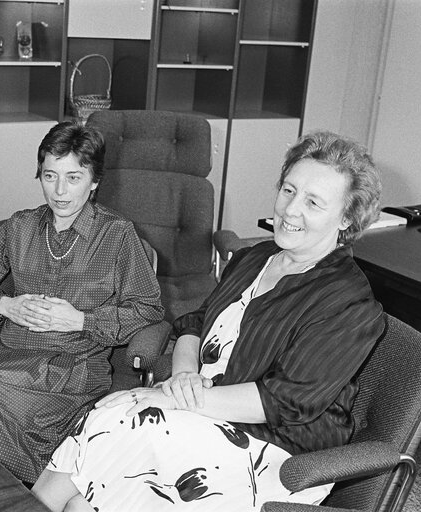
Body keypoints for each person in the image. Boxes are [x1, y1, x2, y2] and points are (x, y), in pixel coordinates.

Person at [32, 131, 386, 511]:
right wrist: (183, 377)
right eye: (288, 190)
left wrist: (175, 399)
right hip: (205, 414)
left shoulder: (348, 301)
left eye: (313, 202)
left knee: (121, 421)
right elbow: (194, 323)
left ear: (347, 217)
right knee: (87, 490)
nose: (290, 209)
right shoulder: (257, 257)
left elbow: (282, 403)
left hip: (273, 450)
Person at [0, 121, 164, 483]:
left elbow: (148, 309)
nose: (60, 191)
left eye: (73, 178)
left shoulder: (118, 236)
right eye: (50, 176)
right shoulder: (19, 228)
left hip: (72, 371)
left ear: (94, 182)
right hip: (8, 360)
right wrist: (4, 305)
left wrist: (81, 321)